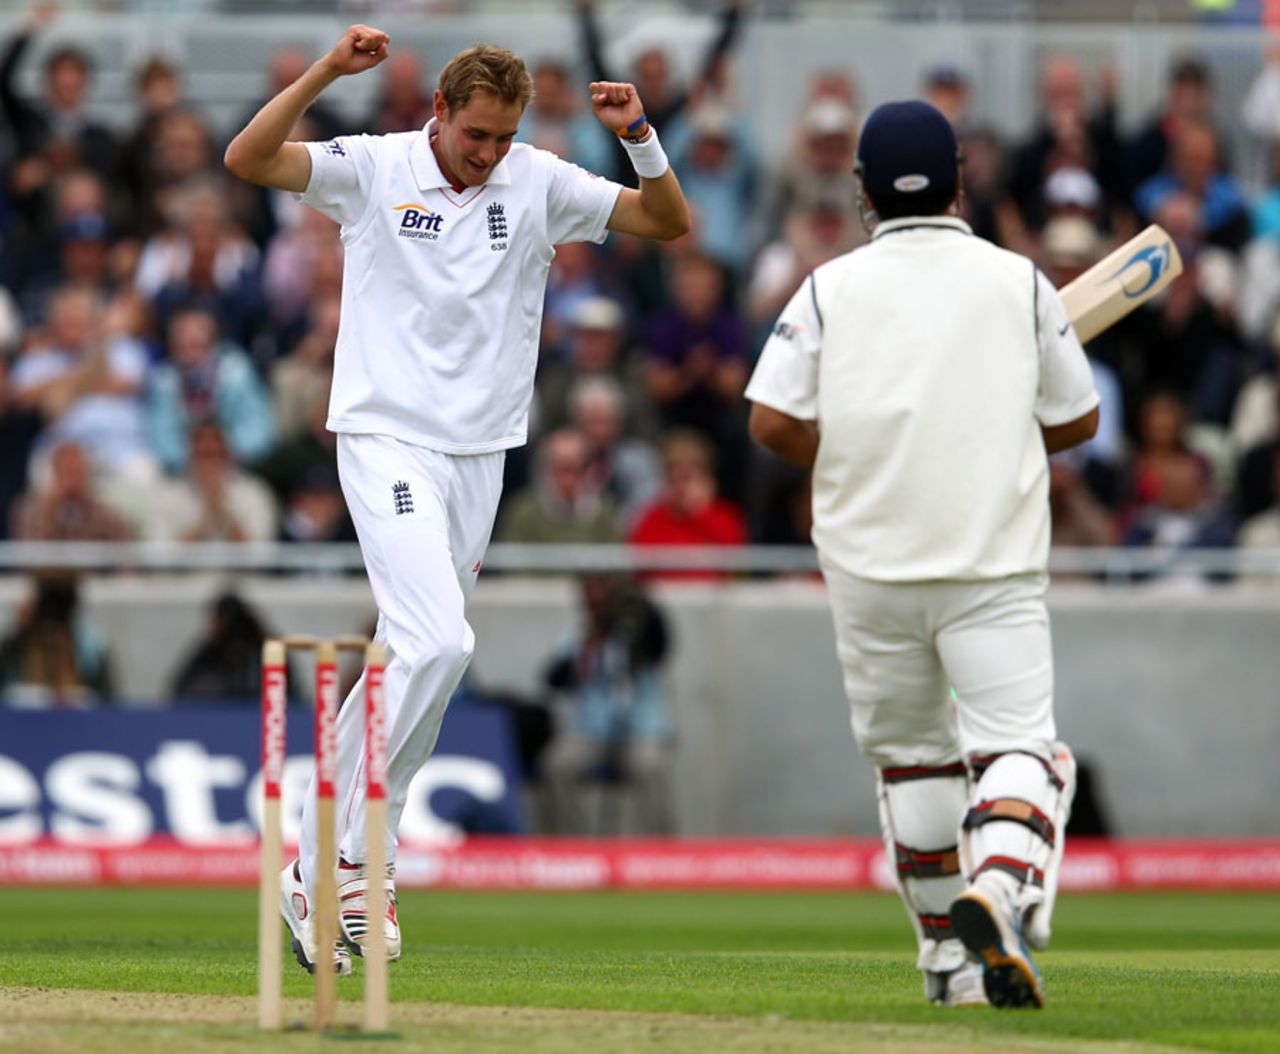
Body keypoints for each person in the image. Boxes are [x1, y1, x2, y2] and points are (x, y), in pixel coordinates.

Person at [224, 24, 689, 975]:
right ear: (438, 112)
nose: (488, 155)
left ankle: (314, 865)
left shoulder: (540, 179)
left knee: (412, 655)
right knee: (442, 641)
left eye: (503, 137)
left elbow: (664, 223)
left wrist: (639, 134)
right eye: (475, 135)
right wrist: (325, 72)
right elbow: (249, 157)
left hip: (482, 454)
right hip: (386, 435)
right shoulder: (375, 165)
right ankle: (360, 856)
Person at [745, 101, 1100, 1010]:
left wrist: (864, 457)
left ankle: (951, 963)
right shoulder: (1018, 281)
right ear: (961, 180)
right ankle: (1002, 882)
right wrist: (986, 432)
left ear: (862, 189)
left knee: (913, 762)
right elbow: (1079, 419)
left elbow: (772, 421)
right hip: (988, 560)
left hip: (867, 563)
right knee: (1018, 746)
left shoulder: (830, 285)